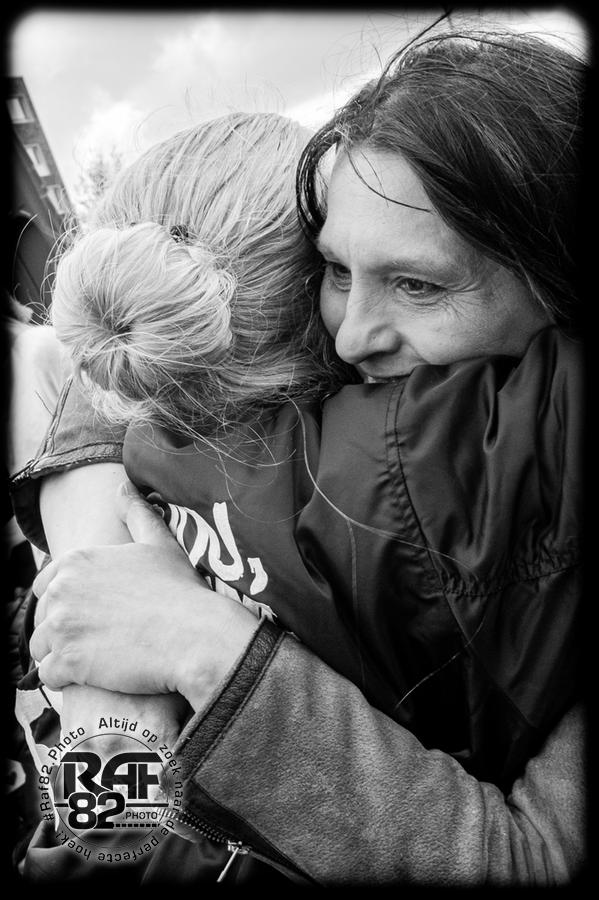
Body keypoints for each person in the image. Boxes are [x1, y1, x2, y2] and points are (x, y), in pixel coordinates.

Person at [11, 25, 586, 885]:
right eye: (334, 271)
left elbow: (533, 859)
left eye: (418, 284)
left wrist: (199, 646)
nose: (352, 336)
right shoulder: (237, 440)